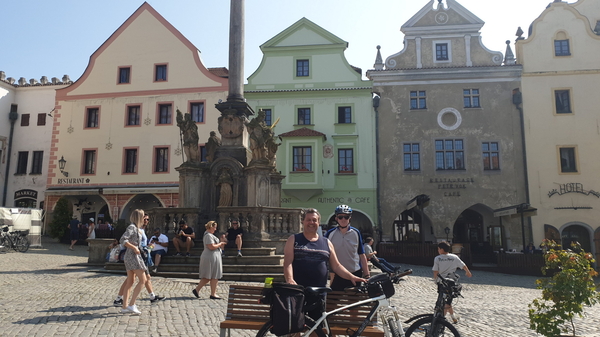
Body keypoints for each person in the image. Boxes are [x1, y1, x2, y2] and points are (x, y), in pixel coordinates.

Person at [284, 208, 367, 320]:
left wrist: (351, 276)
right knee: (295, 327)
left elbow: (336, 266)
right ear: (302, 221)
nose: (311, 223)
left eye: (314, 220)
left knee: (317, 327)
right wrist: (289, 279)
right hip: (298, 290)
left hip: (318, 293)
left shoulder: (326, 242)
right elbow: (288, 262)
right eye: (308, 220)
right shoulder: (294, 239)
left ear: (319, 223)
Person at [114, 215, 165, 306]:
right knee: (136, 279)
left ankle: (151, 297)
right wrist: (135, 247)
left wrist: (149, 246)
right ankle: (123, 301)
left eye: (148, 219)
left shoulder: (142, 230)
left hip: (142, 255)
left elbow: (141, 243)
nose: (146, 221)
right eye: (144, 219)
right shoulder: (135, 228)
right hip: (138, 255)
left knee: (141, 278)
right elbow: (125, 240)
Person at [325, 205, 370, 291]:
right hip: (337, 273)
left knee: (354, 301)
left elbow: (362, 254)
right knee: (334, 300)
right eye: (340, 217)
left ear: (350, 218)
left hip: (354, 271)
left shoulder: (356, 233)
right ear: (336, 218)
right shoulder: (330, 234)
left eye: (346, 217)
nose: (343, 219)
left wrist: (367, 275)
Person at [432, 241, 472, 323]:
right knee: (448, 300)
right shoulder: (454, 257)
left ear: (441, 249)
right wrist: (467, 272)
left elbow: (435, 271)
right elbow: (463, 265)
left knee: (442, 300)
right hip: (451, 282)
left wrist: (435, 280)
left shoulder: (438, 258)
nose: (438, 250)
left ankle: (441, 319)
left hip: (441, 281)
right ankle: (453, 317)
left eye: (438, 249)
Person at [118, 209, 148, 315]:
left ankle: (125, 306)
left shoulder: (136, 228)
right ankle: (132, 304)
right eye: (143, 216)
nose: (145, 218)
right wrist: (134, 248)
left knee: (130, 282)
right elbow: (123, 239)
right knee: (143, 280)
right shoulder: (132, 227)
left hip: (131, 256)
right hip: (133, 256)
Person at [193, 221, 226, 299]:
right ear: (211, 227)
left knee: (214, 275)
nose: (215, 229)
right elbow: (211, 247)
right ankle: (203, 291)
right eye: (214, 227)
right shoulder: (208, 235)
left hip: (214, 256)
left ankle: (211, 293)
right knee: (208, 275)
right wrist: (220, 244)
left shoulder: (211, 235)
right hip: (210, 257)